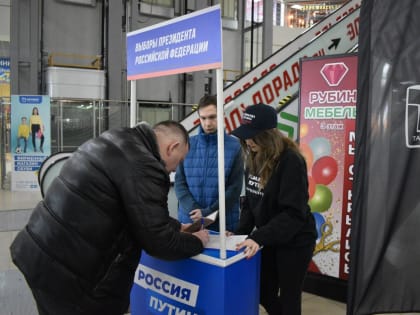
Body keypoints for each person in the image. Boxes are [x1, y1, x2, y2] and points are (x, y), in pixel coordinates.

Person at [10, 120, 210, 315]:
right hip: (70, 276)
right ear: (172, 147)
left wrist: (176, 227)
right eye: (180, 161)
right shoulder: (145, 165)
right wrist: (197, 241)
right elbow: (158, 242)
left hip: (40, 249)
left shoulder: (116, 139)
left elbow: (138, 210)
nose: (176, 169)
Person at [230, 104, 317, 315]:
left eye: (253, 137)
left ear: (268, 135)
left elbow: (293, 213)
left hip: (295, 241)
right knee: (262, 292)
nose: (248, 141)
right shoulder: (252, 157)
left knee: (289, 298)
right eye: (246, 136)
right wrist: (239, 234)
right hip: (270, 237)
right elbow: (251, 203)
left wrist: (258, 237)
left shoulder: (291, 161)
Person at [175, 95, 243, 232]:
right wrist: (194, 209)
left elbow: (234, 188)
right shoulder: (188, 144)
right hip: (190, 219)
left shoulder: (235, 146)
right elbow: (180, 182)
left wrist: (209, 211)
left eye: (212, 117)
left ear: (222, 116)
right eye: (203, 118)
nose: (207, 123)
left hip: (223, 221)